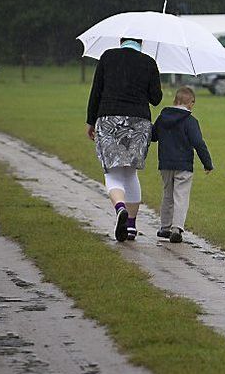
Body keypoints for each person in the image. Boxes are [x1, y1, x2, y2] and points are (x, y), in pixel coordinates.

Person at [86, 37, 163, 241]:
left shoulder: (108, 57)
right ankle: (130, 226)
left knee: (113, 173)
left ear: (121, 40)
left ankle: (120, 208)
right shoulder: (148, 62)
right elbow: (156, 99)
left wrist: (90, 121)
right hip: (139, 123)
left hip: (109, 118)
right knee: (130, 173)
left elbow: (96, 92)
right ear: (141, 43)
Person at [151, 86, 214, 244]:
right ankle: (177, 228)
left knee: (168, 195)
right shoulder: (190, 121)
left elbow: (153, 136)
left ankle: (165, 227)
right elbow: (198, 143)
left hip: (165, 163)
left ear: (175, 100)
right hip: (184, 165)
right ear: (191, 103)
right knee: (181, 196)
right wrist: (207, 163)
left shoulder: (163, 116)